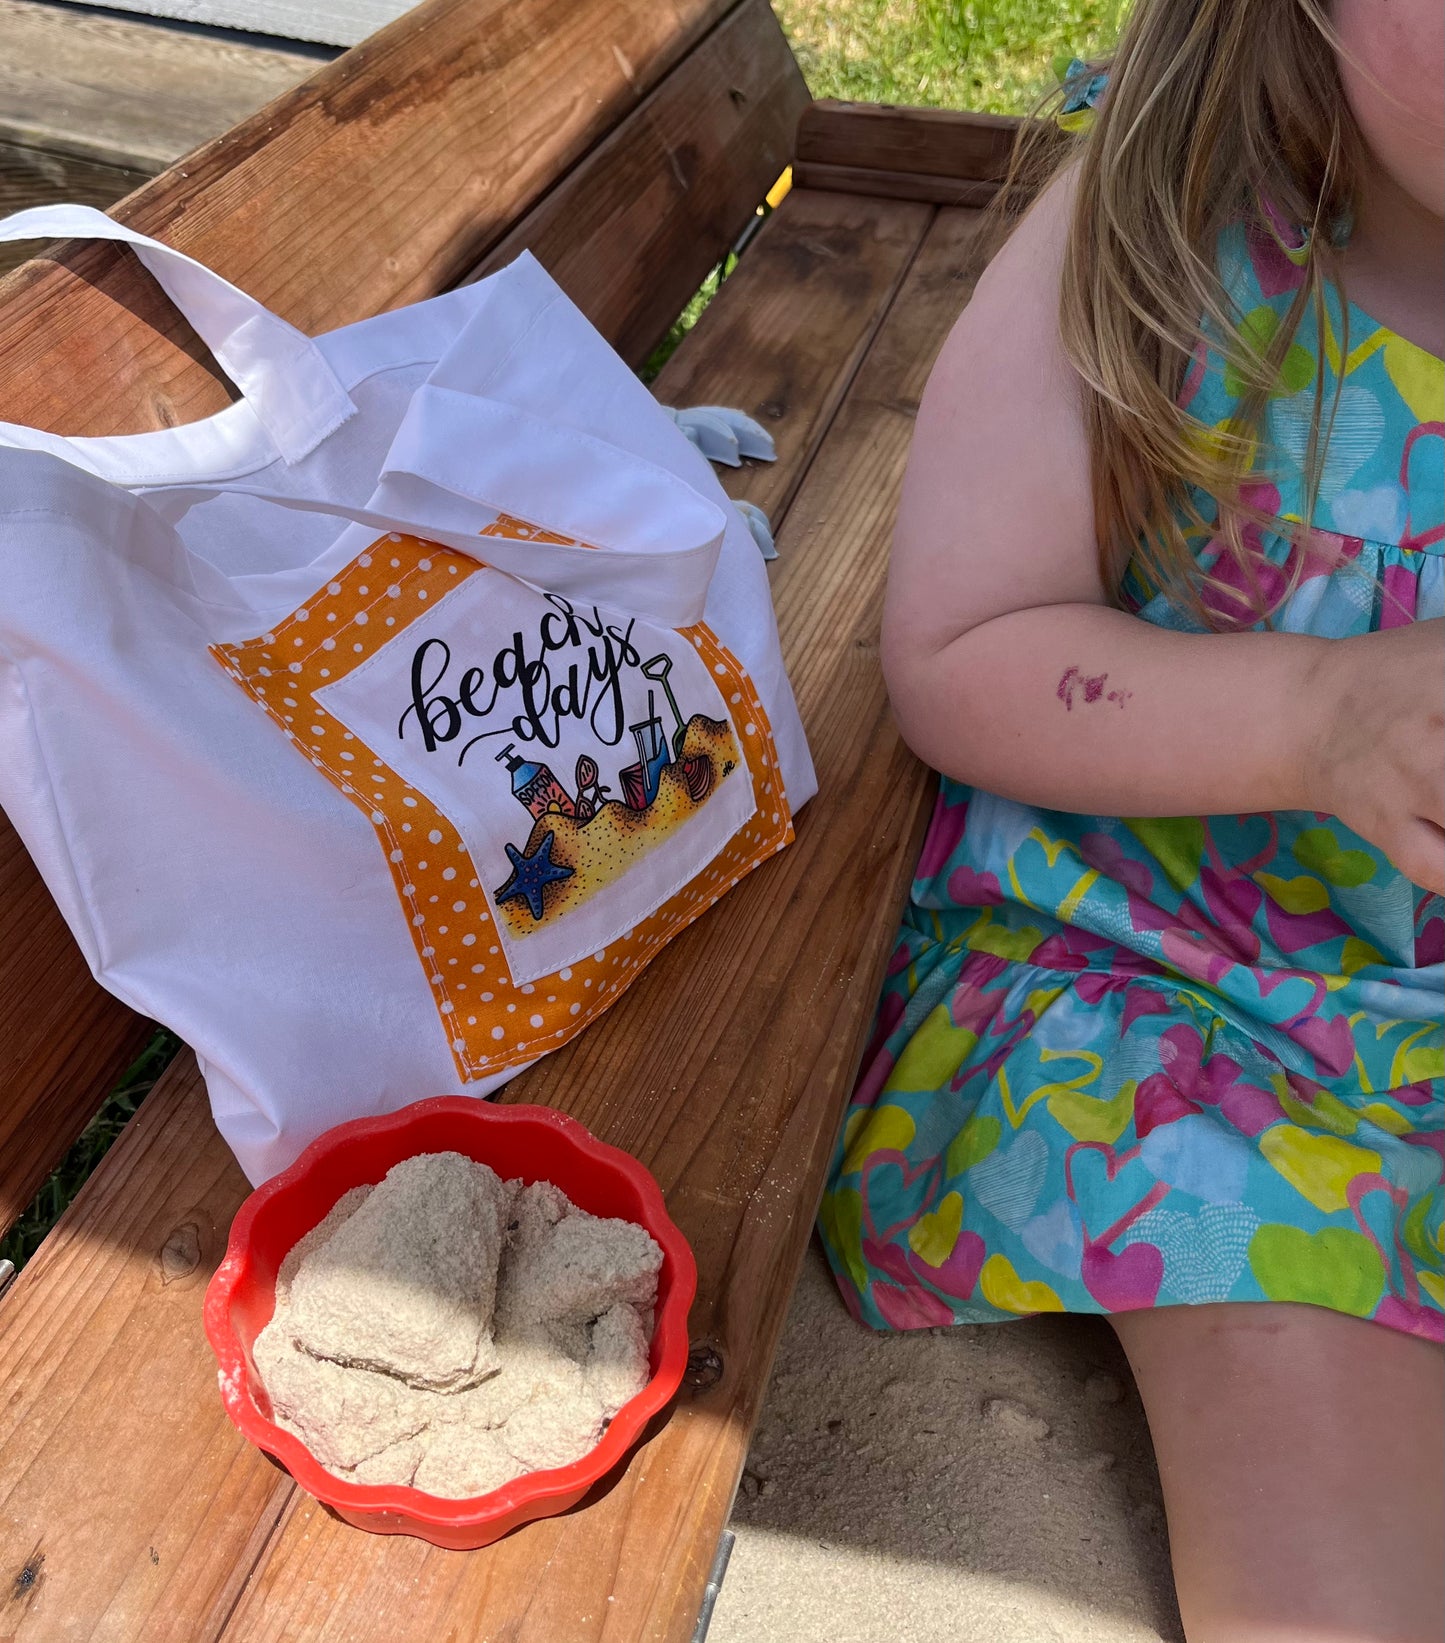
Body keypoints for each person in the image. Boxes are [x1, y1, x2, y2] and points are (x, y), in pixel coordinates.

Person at [818, 2, 1443, 1638]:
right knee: (1328, 1550)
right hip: (1182, 993)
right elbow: (965, 647)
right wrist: (1318, 717)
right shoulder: (1167, 225)